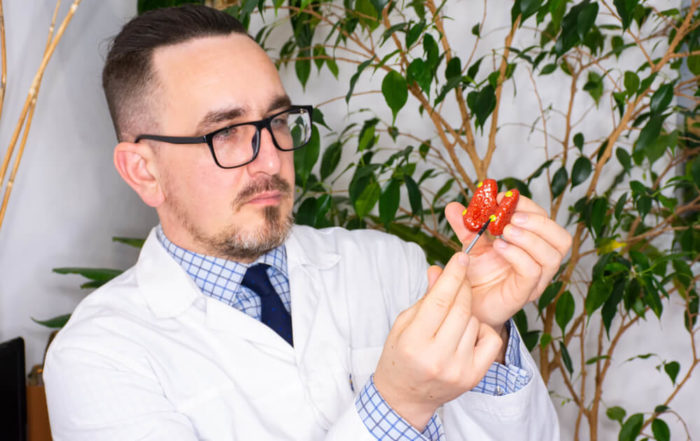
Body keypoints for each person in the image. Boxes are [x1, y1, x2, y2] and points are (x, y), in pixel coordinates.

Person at [43, 5, 572, 441]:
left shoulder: (389, 264)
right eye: (225, 133)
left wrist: (486, 332)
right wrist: (399, 404)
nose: (271, 160)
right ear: (144, 171)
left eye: (276, 121)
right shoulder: (98, 356)